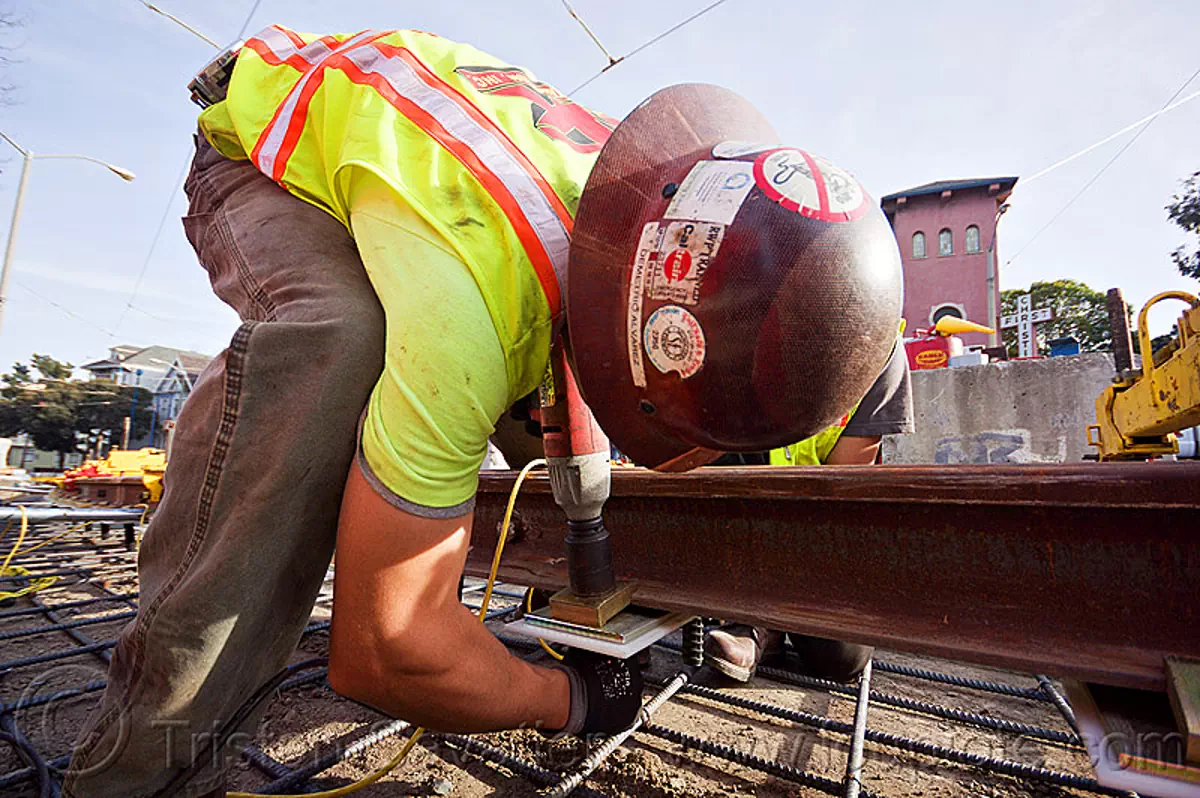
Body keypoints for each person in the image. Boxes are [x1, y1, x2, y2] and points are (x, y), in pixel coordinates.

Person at [65, 25, 904, 798]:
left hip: (440, 183)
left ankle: (540, 598)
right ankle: (139, 763)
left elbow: (573, 338)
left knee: (532, 376)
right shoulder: (468, 314)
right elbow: (380, 650)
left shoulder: (660, 194)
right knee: (337, 341)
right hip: (257, 138)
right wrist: (562, 698)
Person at [704, 341, 914, 683]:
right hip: (749, 518)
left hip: (817, 530)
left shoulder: (878, 343)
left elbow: (840, 494)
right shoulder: (738, 321)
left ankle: (774, 618)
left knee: (840, 660)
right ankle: (752, 618)